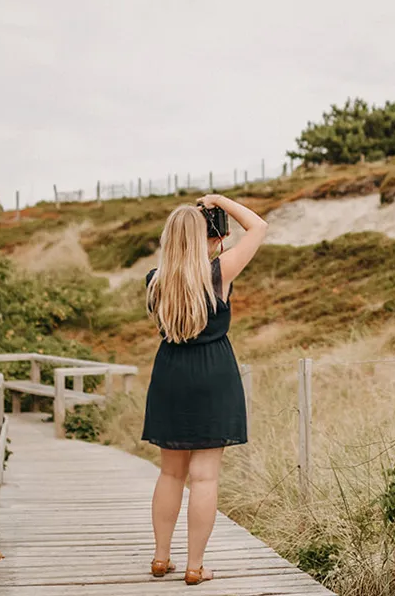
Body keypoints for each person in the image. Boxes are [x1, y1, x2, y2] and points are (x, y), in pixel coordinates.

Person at [142, 194, 268, 585]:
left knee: (170, 474)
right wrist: (218, 201)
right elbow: (259, 227)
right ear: (205, 237)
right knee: (205, 477)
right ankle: (195, 566)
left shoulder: (155, 280)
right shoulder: (219, 272)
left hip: (170, 373)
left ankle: (161, 558)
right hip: (212, 373)